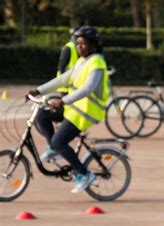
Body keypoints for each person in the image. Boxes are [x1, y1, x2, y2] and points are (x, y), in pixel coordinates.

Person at [27, 26, 109, 194]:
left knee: (59, 141)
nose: (79, 47)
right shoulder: (81, 62)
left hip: (87, 111)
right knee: (42, 115)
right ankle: (54, 149)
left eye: (83, 44)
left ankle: (84, 174)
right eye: (77, 43)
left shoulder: (97, 62)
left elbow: (88, 88)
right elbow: (63, 79)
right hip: (75, 108)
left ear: (93, 45)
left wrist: (62, 101)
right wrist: (38, 90)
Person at [56, 27, 79, 95]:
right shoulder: (68, 48)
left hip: (73, 84)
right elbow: (61, 67)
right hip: (66, 85)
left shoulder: (77, 47)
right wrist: (64, 81)